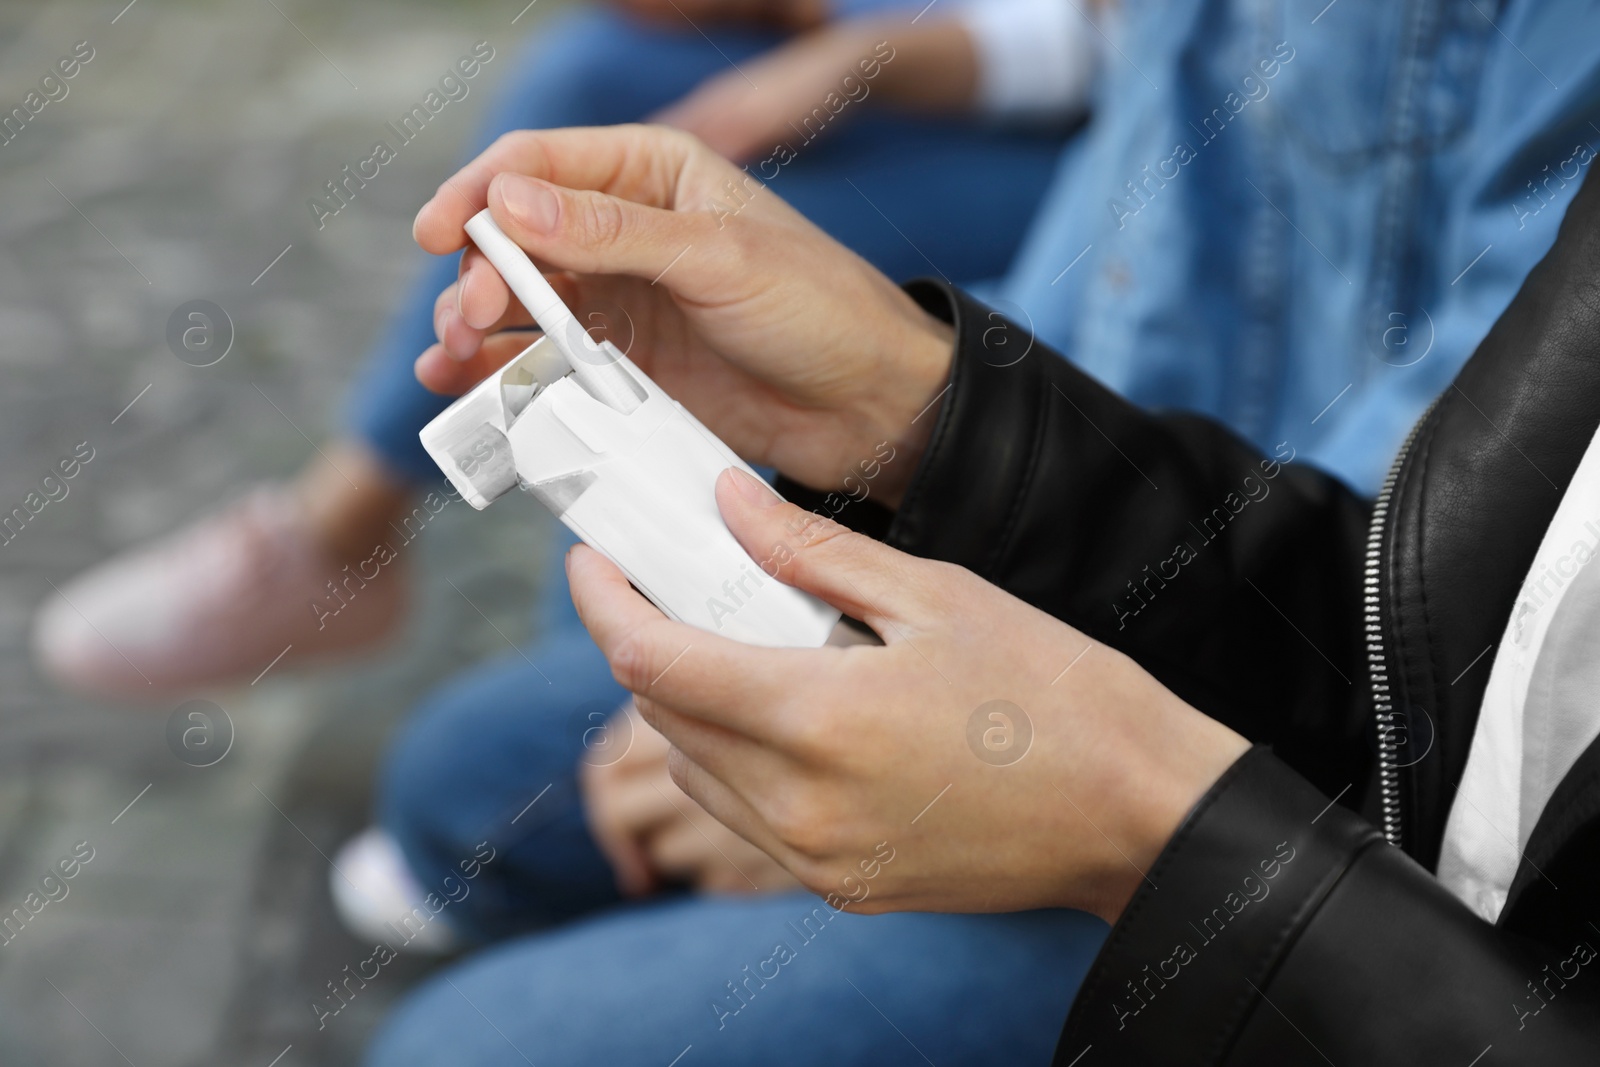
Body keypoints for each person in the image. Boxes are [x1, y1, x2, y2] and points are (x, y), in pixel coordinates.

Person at [395, 118, 1600, 1064]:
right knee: (462, 780)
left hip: (1269, 919)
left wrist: (1144, 825)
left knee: (448, 1040)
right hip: (1280, 785)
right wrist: (927, 413)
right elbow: (1432, 641)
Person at [30, 0, 1080, 697]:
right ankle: (346, 532)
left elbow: (1113, 42)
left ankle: (553, 699)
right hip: (950, 47)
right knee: (587, 78)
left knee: (681, 233)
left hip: (1080, 128)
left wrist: (863, 53)